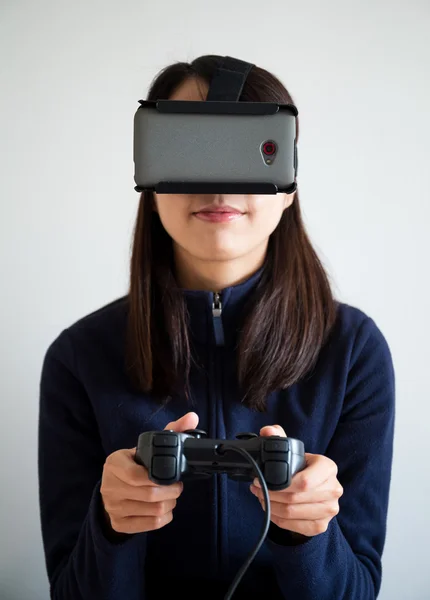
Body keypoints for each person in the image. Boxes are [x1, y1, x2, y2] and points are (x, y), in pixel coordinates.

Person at [38, 55, 395, 600]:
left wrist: (308, 537)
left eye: (248, 151)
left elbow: (357, 592)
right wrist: (112, 526)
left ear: (289, 181)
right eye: (188, 148)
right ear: (150, 178)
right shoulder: (79, 357)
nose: (218, 183)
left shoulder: (353, 352)